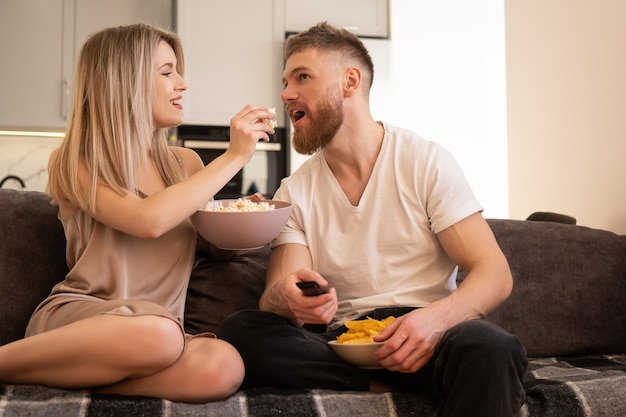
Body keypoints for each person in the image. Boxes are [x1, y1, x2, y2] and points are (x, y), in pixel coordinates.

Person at [219, 22, 528, 416]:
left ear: (350, 81)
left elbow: (494, 273)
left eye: (302, 77)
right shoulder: (293, 191)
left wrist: (434, 321)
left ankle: (415, 379)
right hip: (343, 344)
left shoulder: (424, 161)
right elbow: (279, 292)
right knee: (242, 331)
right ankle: (373, 384)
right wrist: (287, 298)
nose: (285, 94)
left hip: (426, 340)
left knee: (491, 347)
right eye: (285, 81)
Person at [0, 23, 276, 403]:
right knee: (158, 333)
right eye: (167, 72)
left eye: (178, 71)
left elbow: (217, 249)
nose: (183, 83)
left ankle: (79, 381)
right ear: (122, 83)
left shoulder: (187, 164)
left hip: (161, 337)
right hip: (87, 321)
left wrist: (245, 221)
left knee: (225, 364)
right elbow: (149, 221)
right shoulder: (78, 162)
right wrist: (233, 157)